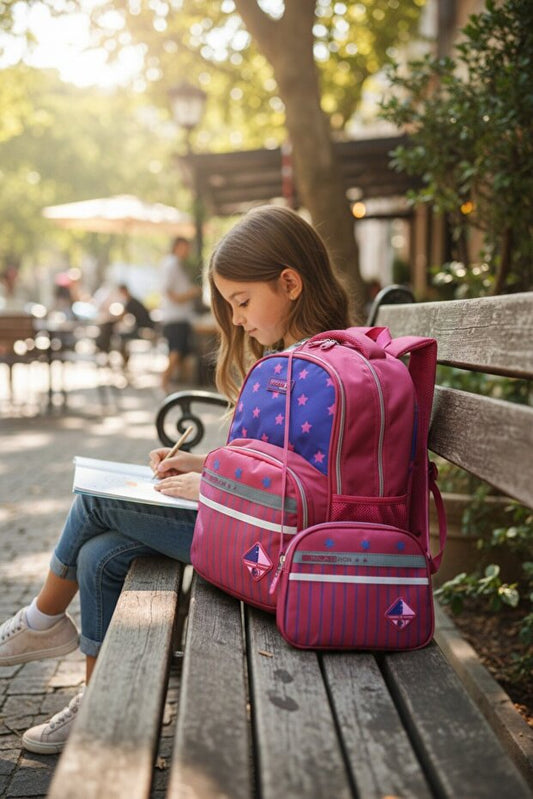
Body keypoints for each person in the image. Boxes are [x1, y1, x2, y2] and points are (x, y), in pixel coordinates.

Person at [0, 205, 354, 754]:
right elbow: (281, 470)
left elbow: (308, 498)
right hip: (265, 532)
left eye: (241, 301)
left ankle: (41, 618)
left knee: (94, 503)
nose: (236, 321)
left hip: (287, 554)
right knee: (98, 556)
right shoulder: (307, 360)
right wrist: (208, 465)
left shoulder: (314, 367)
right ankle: (100, 704)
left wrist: (213, 490)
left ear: (290, 283)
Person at [159, 237, 202, 392]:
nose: (187, 251)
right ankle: (164, 383)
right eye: (185, 247)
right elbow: (168, 292)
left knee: (181, 352)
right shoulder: (171, 264)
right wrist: (190, 294)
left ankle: (176, 384)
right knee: (175, 352)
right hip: (174, 317)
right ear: (177, 246)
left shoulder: (178, 265)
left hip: (182, 316)